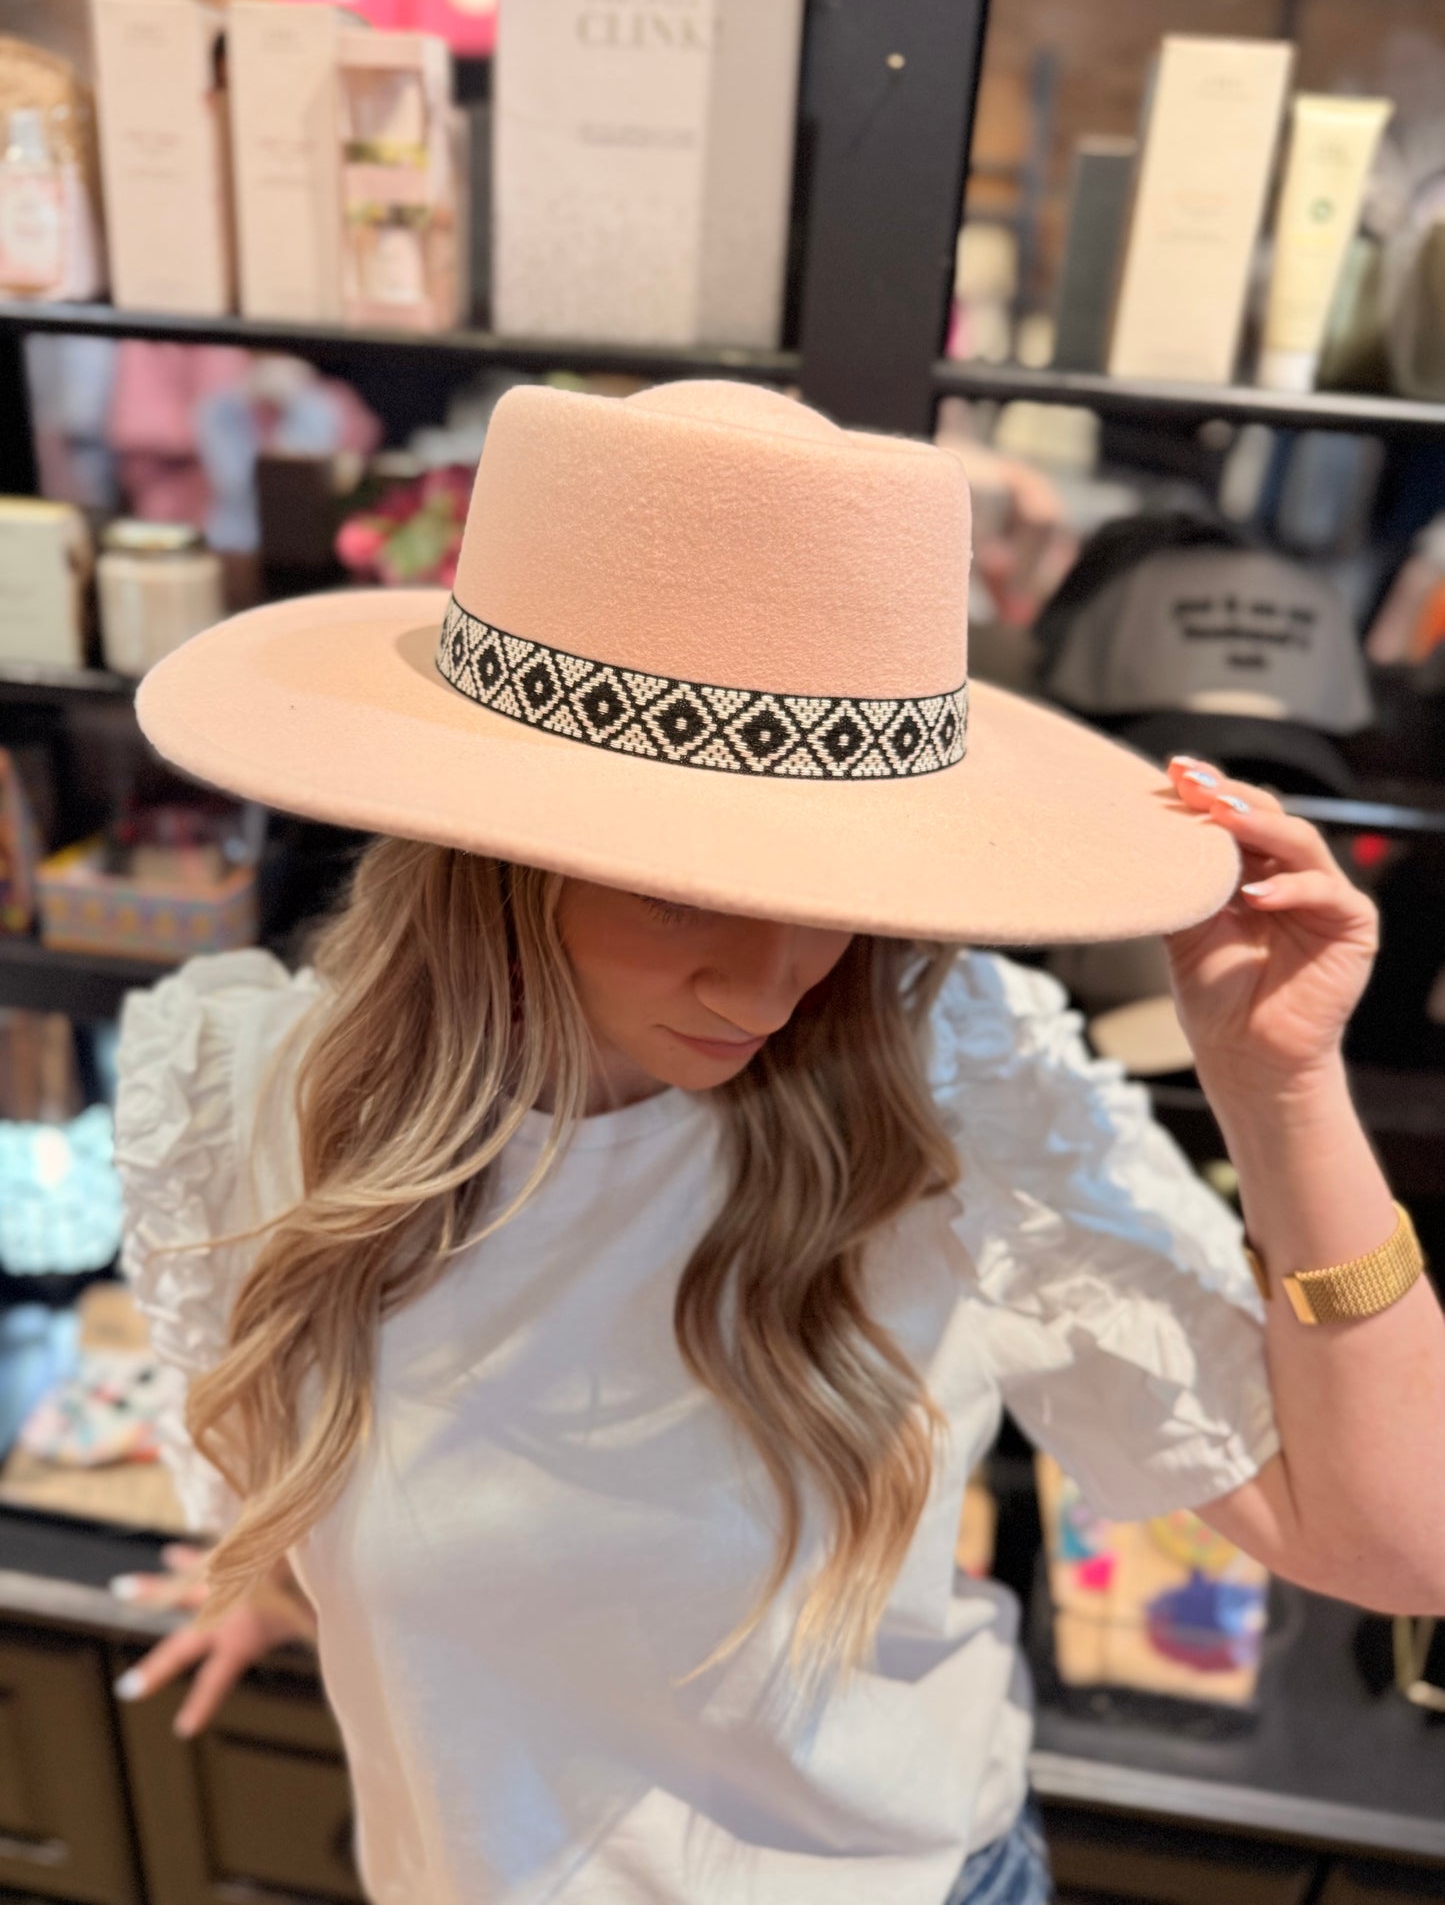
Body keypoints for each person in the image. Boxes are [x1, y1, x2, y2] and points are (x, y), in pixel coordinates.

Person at [106, 379, 1445, 1905]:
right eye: (683, 888)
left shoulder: (955, 1087)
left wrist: (1280, 1092)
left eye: (834, 889)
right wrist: (289, 1585)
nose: (772, 983)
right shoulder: (236, 1099)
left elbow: (1398, 1543)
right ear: (488, 848)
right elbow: (294, 1486)